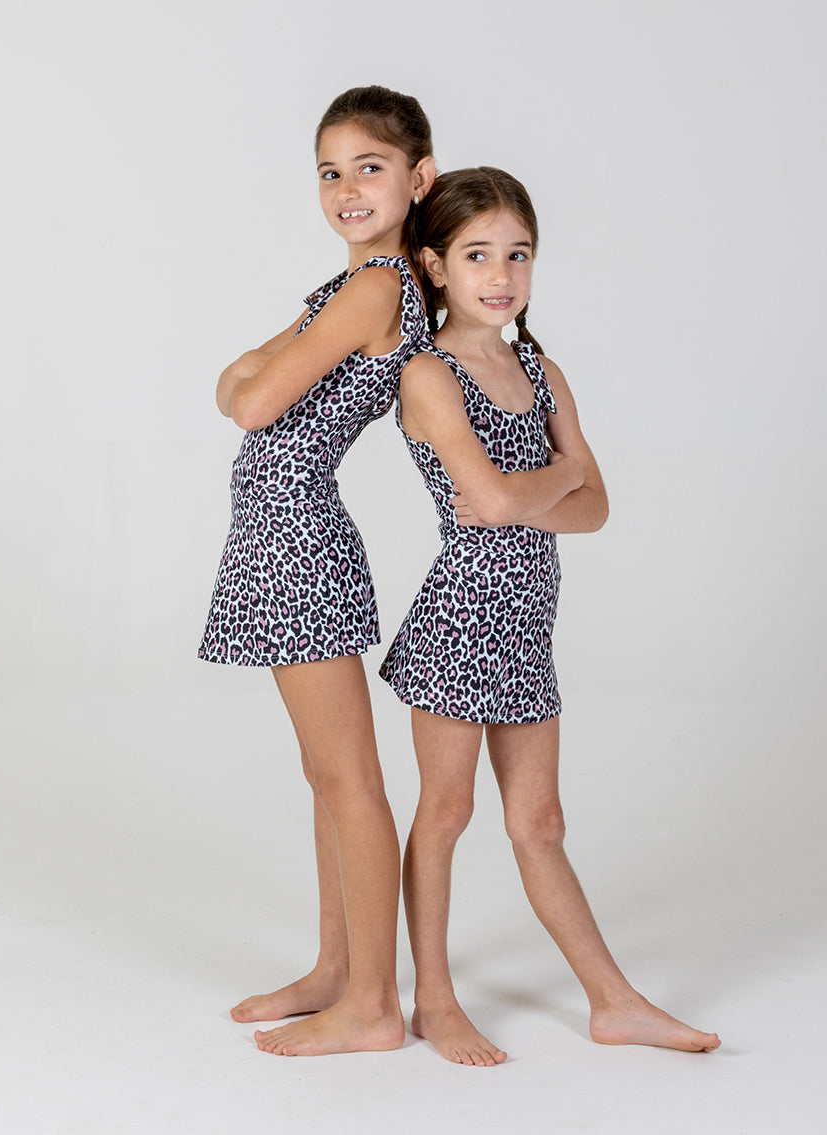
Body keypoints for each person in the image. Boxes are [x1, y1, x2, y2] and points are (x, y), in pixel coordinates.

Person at [380, 167, 721, 1065]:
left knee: (540, 823)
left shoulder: (539, 367)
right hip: (459, 619)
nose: (501, 273)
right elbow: (488, 504)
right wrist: (559, 475)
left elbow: (597, 505)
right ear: (437, 265)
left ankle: (614, 1000)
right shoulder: (428, 372)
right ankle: (437, 1000)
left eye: (518, 254)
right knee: (447, 811)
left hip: (528, 627)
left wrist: (544, 488)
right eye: (478, 254)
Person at [199, 86, 435, 1057]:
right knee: (324, 773)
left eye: (368, 167)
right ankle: (337, 968)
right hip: (276, 541)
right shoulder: (345, 289)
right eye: (329, 172)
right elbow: (235, 379)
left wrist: (259, 369)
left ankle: (374, 1003)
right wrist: (257, 369)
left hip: (298, 543)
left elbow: (251, 400)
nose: (345, 188)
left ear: (418, 178)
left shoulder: (375, 290)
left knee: (349, 778)